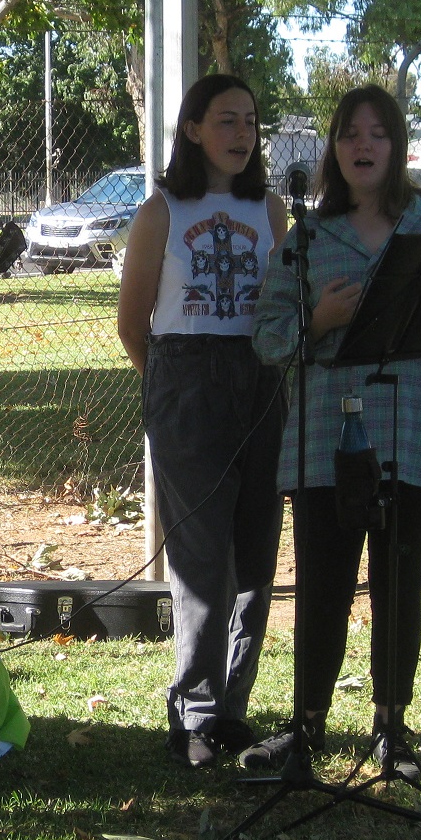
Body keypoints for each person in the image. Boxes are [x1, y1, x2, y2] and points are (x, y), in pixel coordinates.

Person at [245, 84, 421, 780]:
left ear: (398, 148)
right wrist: (318, 323)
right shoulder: (307, 238)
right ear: (333, 149)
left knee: (399, 578)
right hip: (328, 443)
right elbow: (269, 336)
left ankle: (391, 730)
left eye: (378, 134)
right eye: (349, 134)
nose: (362, 145)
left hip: (414, 432)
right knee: (323, 584)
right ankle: (306, 729)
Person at [116, 74, 289, 768]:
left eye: (250, 121)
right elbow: (133, 327)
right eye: (226, 120)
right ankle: (192, 712)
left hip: (262, 384)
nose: (242, 134)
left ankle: (230, 708)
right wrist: (176, 395)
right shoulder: (161, 212)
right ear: (192, 129)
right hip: (187, 386)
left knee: (255, 554)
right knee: (199, 557)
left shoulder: (271, 209)